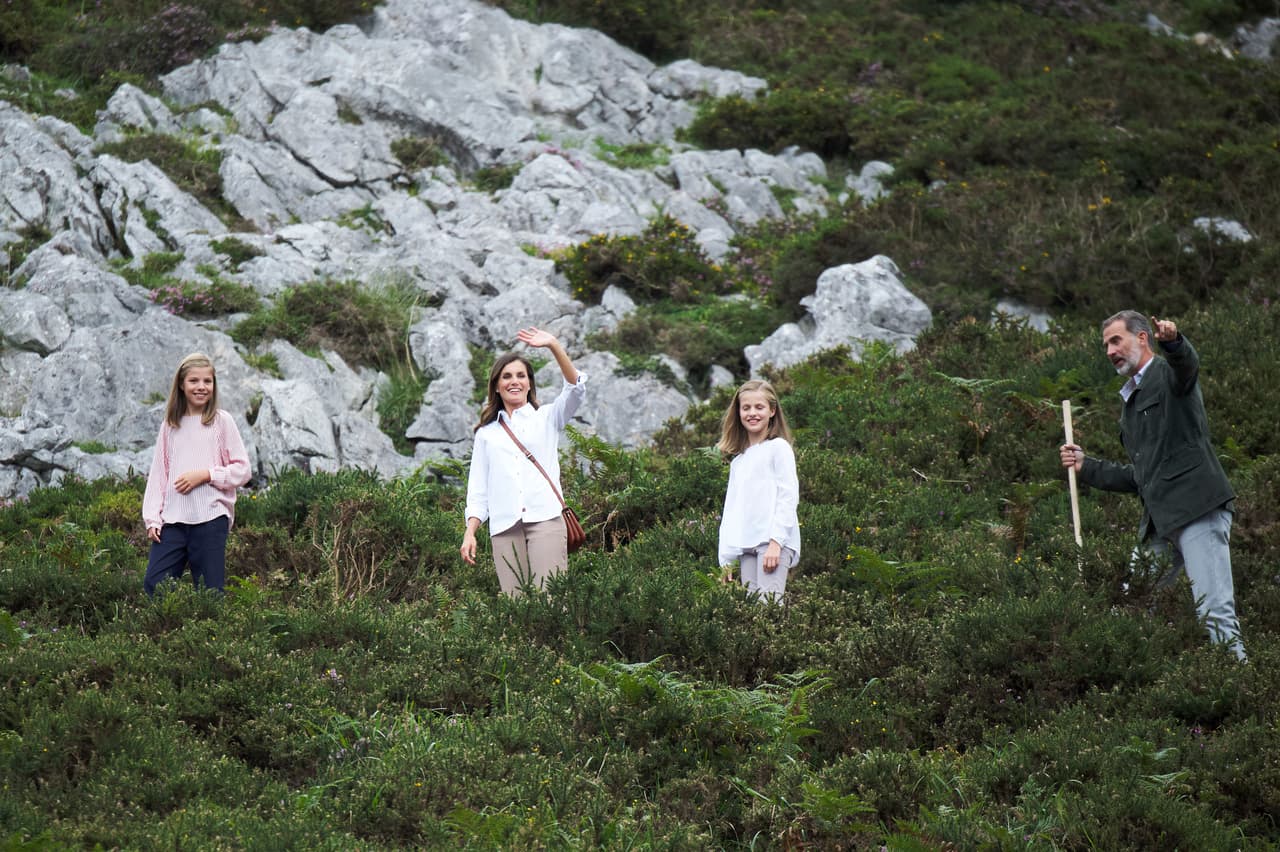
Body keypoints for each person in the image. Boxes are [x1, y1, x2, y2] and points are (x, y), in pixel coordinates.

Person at [1060, 311, 1245, 660]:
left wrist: (1174, 343)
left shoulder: (1168, 374)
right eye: (1106, 345)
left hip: (1198, 510)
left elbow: (1187, 366)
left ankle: (1241, 685)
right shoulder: (1130, 403)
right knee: (1132, 607)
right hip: (1159, 523)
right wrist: (1088, 467)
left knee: (1215, 614)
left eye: (1116, 341)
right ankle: (1134, 685)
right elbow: (1142, 476)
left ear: (1142, 338)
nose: (1110, 351)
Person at [459, 327, 586, 596]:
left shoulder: (548, 417)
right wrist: (470, 533)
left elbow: (575, 389)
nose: (514, 381)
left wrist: (553, 345)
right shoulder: (486, 434)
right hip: (504, 528)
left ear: (529, 384)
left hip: (546, 520)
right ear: (496, 386)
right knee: (515, 607)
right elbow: (478, 491)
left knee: (551, 601)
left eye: (521, 375)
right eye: (506, 376)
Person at [142, 353, 251, 595]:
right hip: (172, 521)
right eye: (194, 381)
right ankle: (171, 622)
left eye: (207, 381)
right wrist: (152, 519)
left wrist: (206, 475)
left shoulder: (222, 421)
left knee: (210, 592)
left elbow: (243, 470)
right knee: (155, 584)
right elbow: (159, 476)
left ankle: (207, 623)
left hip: (211, 519)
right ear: (181, 385)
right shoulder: (170, 426)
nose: (201, 387)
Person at [717, 380, 801, 602]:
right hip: (746, 545)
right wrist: (725, 560)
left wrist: (776, 542)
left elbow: (788, 496)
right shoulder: (739, 461)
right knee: (753, 611)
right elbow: (731, 511)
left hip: (773, 543)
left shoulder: (778, 448)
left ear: (772, 411)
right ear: (738, 412)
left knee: (769, 608)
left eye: (759, 407)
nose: (752, 413)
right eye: (746, 408)